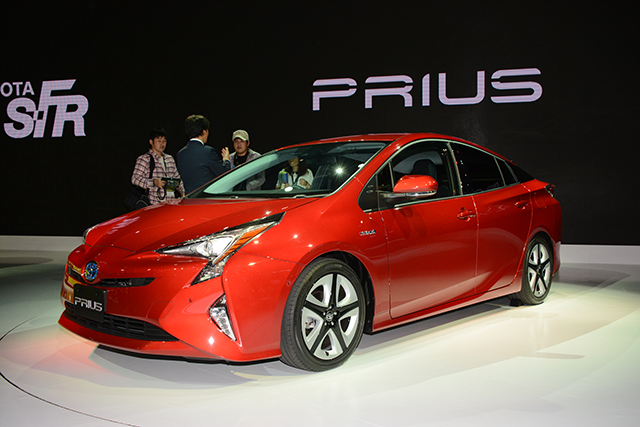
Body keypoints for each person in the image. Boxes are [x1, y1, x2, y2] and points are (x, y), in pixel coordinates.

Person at [177, 115, 230, 193]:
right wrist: (226, 160)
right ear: (204, 132)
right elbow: (224, 173)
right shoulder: (208, 152)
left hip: (190, 197)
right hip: (206, 197)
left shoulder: (180, 154)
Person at [131, 127, 184, 205]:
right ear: (151, 142)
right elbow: (135, 179)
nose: (162, 144)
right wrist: (153, 182)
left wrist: (183, 192)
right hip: (154, 203)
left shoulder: (170, 159)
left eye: (164, 141)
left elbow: (177, 178)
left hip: (171, 203)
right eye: (159, 141)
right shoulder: (144, 159)